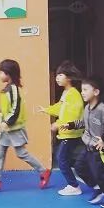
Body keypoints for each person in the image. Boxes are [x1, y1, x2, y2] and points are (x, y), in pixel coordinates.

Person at [0, 59, 51, 191]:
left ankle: (44, 171)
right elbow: (5, 108)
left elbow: (15, 108)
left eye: (1, 72)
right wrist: (0, 120)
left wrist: (7, 122)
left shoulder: (13, 89)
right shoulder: (6, 89)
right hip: (5, 129)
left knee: (21, 153)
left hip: (14, 128)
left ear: (9, 73)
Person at [60, 76, 104, 208]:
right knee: (79, 167)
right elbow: (84, 122)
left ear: (96, 92)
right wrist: (71, 125)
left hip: (99, 150)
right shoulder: (87, 108)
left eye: (85, 90)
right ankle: (97, 187)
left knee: (101, 175)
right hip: (88, 147)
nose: (82, 92)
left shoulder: (102, 110)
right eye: (81, 90)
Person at [38, 61, 85, 195]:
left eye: (60, 75)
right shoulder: (66, 93)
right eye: (57, 75)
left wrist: (58, 124)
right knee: (65, 158)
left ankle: (74, 186)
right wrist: (47, 110)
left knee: (61, 159)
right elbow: (60, 107)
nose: (57, 78)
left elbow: (72, 114)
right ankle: (83, 174)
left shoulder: (73, 94)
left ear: (68, 77)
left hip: (71, 133)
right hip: (67, 134)